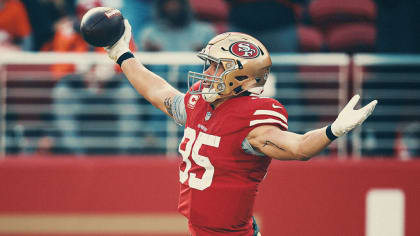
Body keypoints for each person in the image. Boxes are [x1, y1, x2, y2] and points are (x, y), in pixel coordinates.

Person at [101, 20, 377, 235]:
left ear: (240, 76)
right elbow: (158, 92)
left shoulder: (252, 119)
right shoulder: (200, 102)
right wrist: (123, 55)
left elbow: (299, 148)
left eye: (215, 67)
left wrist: (333, 131)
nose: (207, 73)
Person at [138, 0, 215, 52]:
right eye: (168, 2)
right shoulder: (149, 35)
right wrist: (148, 55)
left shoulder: (205, 33)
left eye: (177, 2)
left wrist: (207, 54)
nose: (173, 6)